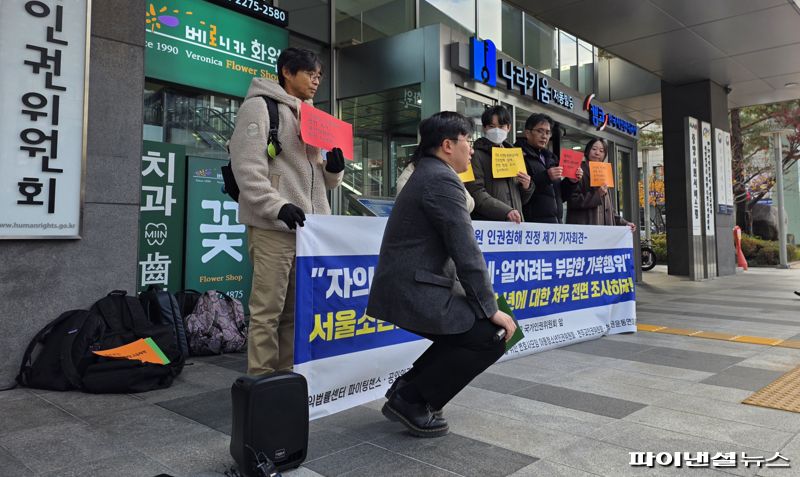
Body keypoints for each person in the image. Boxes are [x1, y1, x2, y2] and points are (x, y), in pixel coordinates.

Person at [367, 112, 517, 438]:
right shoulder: (440, 179)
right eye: (467, 141)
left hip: (415, 285)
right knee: (491, 336)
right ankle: (412, 400)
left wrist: (485, 308)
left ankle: (407, 389)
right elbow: (467, 252)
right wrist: (491, 309)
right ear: (448, 145)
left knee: (473, 331)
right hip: (413, 289)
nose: (472, 150)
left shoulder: (431, 173)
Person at [229, 48, 345, 376]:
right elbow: (247, 167)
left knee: (294, 312)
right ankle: (261, 381)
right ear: (286, 72)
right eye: (310, 73)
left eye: (319, 75)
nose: (316, 80)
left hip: (308, 230)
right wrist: (277, 206)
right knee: (267, 312)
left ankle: (285, 378)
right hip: (273, 228)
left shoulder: (313, 117)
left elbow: (322, 177)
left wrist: (334, 171)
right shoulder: (259, 107)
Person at [465, 106, 533, 223]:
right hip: (491, 225)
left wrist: (527, 187)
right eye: (491, 126)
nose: (496, 130)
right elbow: (476, 192)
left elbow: (521, 198)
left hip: (514, 223)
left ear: (509, 128)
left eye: (501, 126)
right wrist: (505, 211)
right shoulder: (476, 155)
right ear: (484, 128)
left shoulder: (514, 156)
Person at [516, 113, 581, 223]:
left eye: (547, 132)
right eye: (540, 131)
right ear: (527, 133)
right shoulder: (518, 155)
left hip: (555, 224)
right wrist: (546, 176)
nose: (544, 136)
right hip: (532, 224)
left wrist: (571, 182)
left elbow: (560, 196)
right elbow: (518, 192)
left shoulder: (551, 158)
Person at [566, 138, 636, 232]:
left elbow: (608, 208)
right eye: (594, 149)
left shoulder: (604, 172)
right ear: (587, 151)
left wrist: (624, 223)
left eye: (601, 151)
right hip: (585, 230)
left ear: (604, 155)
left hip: (604, 233)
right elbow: (573, 201)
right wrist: (597, 194)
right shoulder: (578, 170)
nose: (597, 153)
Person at [396, 153, 475, 213]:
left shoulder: (449, 171)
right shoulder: (414, 172)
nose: (471, 151)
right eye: (466, 141)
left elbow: (469, 204)